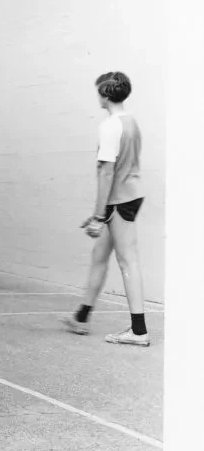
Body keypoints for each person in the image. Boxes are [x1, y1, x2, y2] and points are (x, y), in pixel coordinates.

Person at [64, 71, 150, 346]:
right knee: (100, 255)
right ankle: (81, 317)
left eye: (98, 91)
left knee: (128, 261)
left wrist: (99, 216)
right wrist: (99, 213)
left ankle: (139, 331)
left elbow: (107, 173)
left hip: (119, 202)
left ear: (105, 93)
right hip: (126, 197)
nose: (97, 97)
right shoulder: (131, 121)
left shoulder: (110, 125)